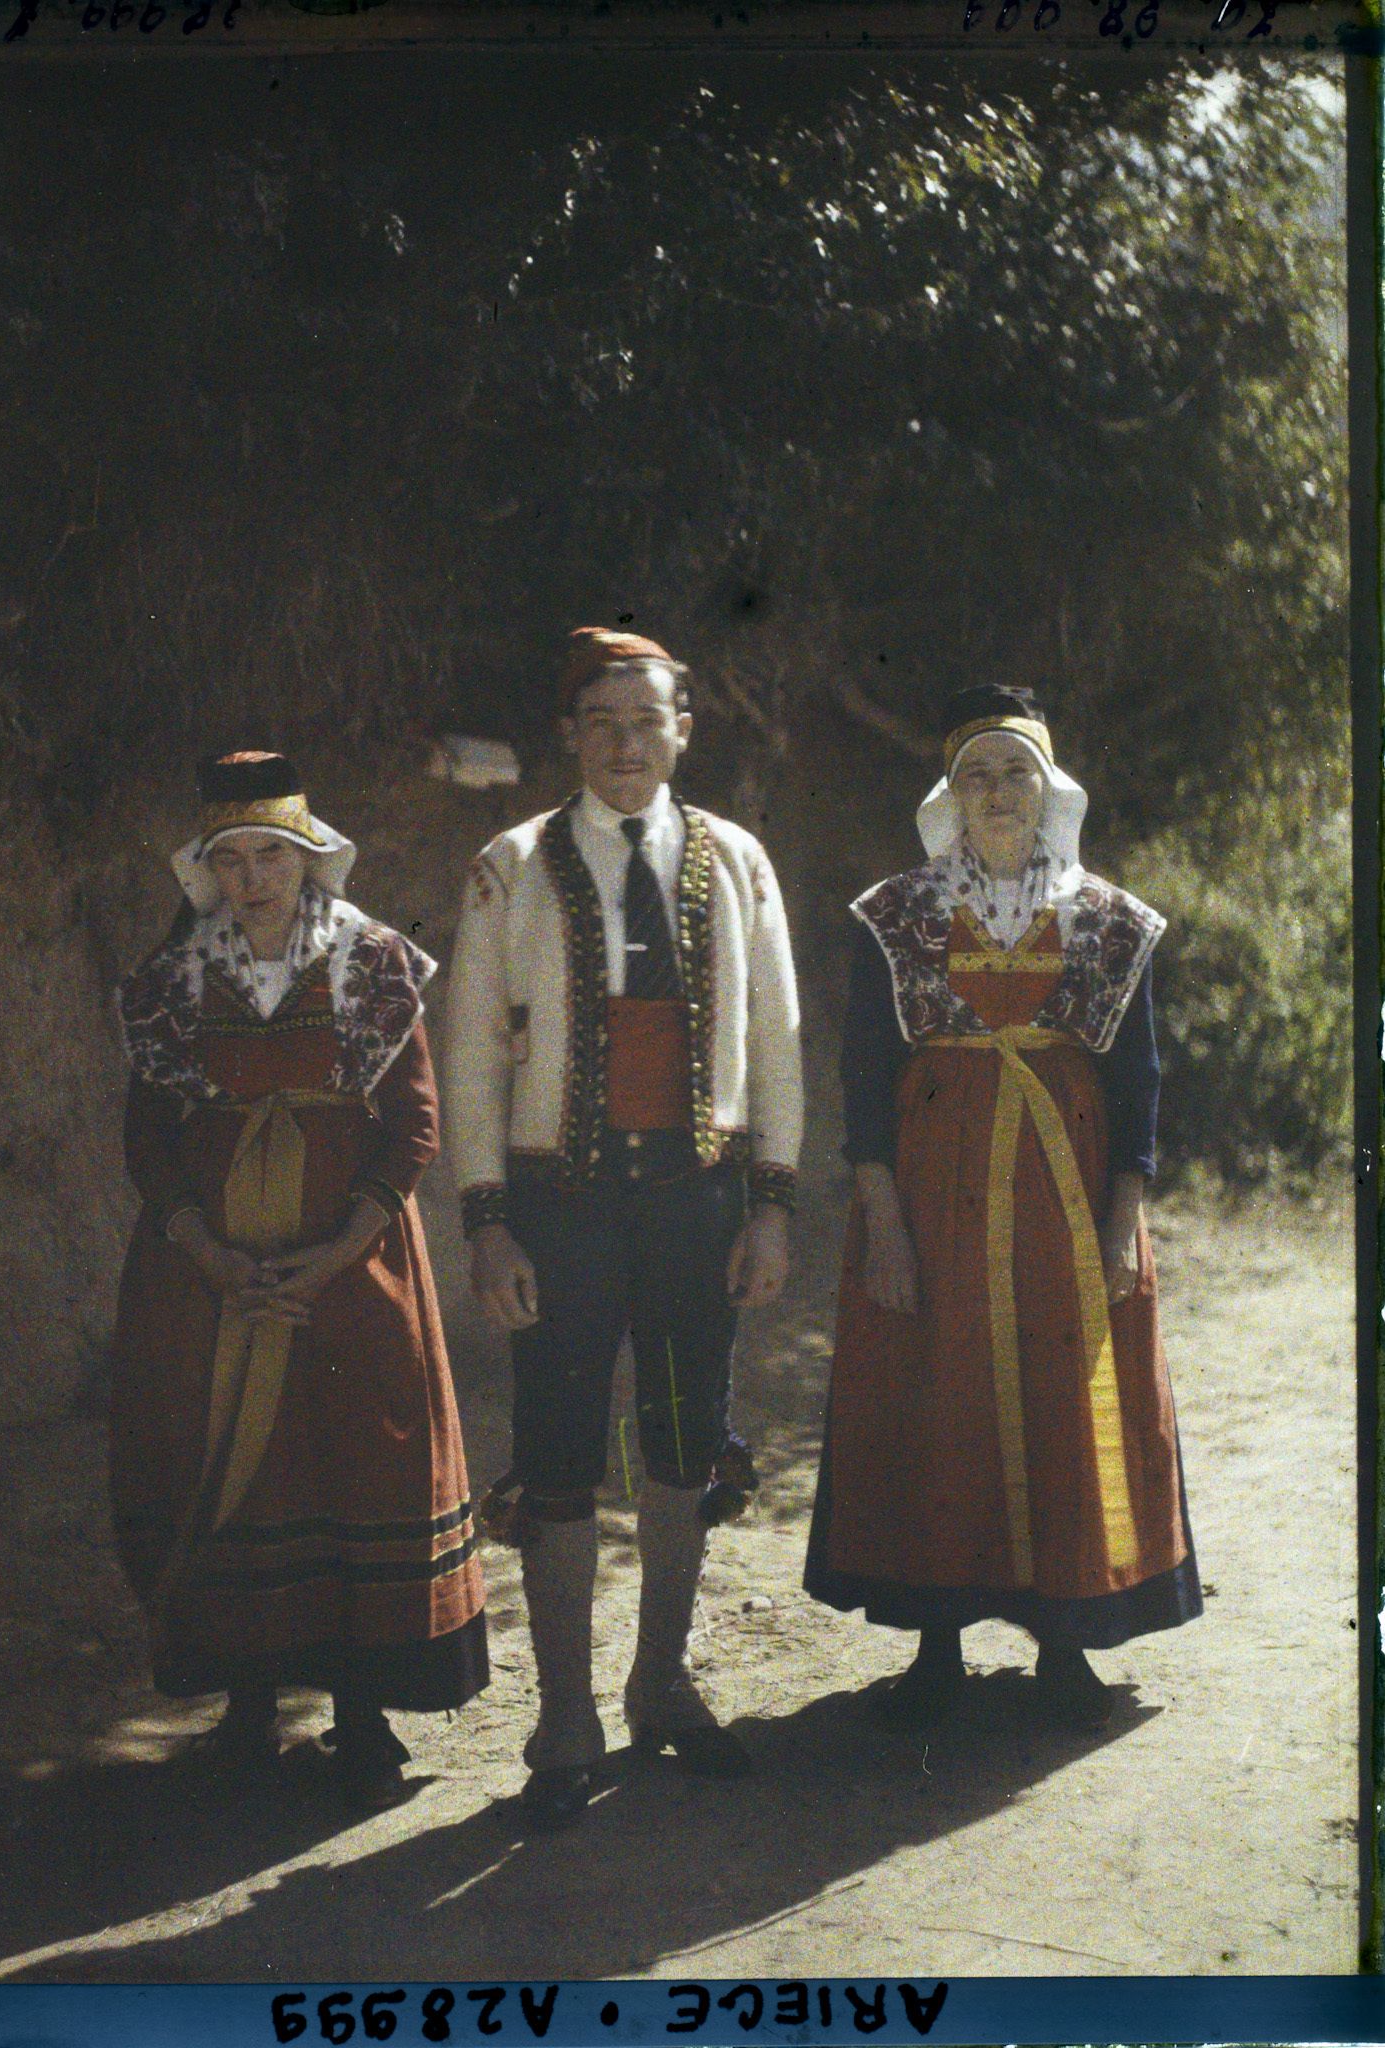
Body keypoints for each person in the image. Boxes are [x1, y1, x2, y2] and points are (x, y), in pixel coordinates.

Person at [445, 628, 803, 1828]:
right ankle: (564, 1719)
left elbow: (778, 1041)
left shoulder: (740, 861)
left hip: (695, 1201)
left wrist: (768, 1199)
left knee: (680, 1441)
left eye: (645, 720)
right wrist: (488, 1222)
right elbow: (470, 1063)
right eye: (600, 721)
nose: (623, 743)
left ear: (683, 729)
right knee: (556, 1450)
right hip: (560, 1203)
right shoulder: (508, 865)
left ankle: (661, 1681)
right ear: (568, 736)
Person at [804, 683, 1201, 1731]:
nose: (995, 792)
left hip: (1065, 1190)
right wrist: (881, 1216)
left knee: (1065, 1390)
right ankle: (938, 1645)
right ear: (949, 791)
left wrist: (1123, 1217)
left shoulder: (1110, 920)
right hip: (934, 1189)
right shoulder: (897, 914)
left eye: (1013, 771)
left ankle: (1064, 1649)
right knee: (939, 1385)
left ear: (1048, 787)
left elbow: (1139, 1080)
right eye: (974, 773)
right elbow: (861, 1075)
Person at [111, 750, 487, 1812]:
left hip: (352, 1259)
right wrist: (209, 1252)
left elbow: (414, 1122)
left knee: (357, 1460)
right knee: (238, 1459)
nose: (250, 875)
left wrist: (335, 1251)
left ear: (308, 856)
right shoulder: (176, 977)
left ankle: (364, 1718)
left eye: (268, 852)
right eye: (228, 858)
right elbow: (148, 1133)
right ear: (206, 871)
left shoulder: (372, 962)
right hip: (212, 1269)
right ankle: (248, 1711)